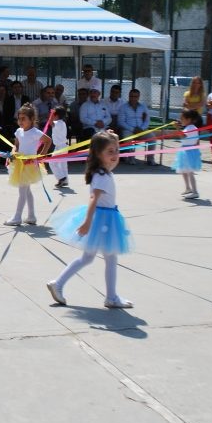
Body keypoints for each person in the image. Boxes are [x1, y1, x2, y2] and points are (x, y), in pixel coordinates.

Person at [47, 131, 135, 308]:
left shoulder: (101, 172)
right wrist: (87, 222)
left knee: (89, 258)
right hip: (104, 219)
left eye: (116, 150)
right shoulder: (102, 175)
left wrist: (111, 139)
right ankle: (110, 297)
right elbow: (93, 198)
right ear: (97, 153)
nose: (115, 155)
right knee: (107, 258)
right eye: (110, 151)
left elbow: (110, 160)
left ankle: (59, 283)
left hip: (102, 218)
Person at [4, 105, 51, 226]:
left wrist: (41, 155)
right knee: (27, 190)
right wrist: (14, 152)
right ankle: (31, 216)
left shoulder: (35, 132)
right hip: (20, 164)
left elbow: (48, 140)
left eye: (23, 118)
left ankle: (17, 217)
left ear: (32, 119)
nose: (20, 121)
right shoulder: (19, 131)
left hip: (29, 165)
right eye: (19, 118)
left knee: (23, 190)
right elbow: (16, 145)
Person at [117, 88, 158, 166]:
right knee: (127, 137)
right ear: (128, 96)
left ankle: (150, 159)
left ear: (138, 97)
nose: (133, 98)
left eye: (135, 96)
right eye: (131, 96)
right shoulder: (123, 107)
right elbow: (121, 121)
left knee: (153, 137)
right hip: (128, 129)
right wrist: (133, 129)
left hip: (141, 129)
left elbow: (147, 120)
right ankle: (131, 158)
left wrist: (142, 128)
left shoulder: (143, 107)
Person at [171, 109, 202, 199]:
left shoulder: (189, 128)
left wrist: (177, 127)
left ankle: (195, 191)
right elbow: (197, 140)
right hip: (188, 150)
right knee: (184, 170)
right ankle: (188, 188)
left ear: (189, 119)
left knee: (189, 172)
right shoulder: (194, 128)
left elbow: (183, 136)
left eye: (182, 118)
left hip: (187, 151)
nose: (180, 120)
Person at [49, 107, 69, 188]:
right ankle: (65, 180)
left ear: (56, 116)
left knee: (52, 163)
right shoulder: (62, 123)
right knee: (63, 164)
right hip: (63, 146)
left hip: (60, 147)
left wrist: (51, 114)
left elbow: (51, 123)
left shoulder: (58, 123)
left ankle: (61, 178)